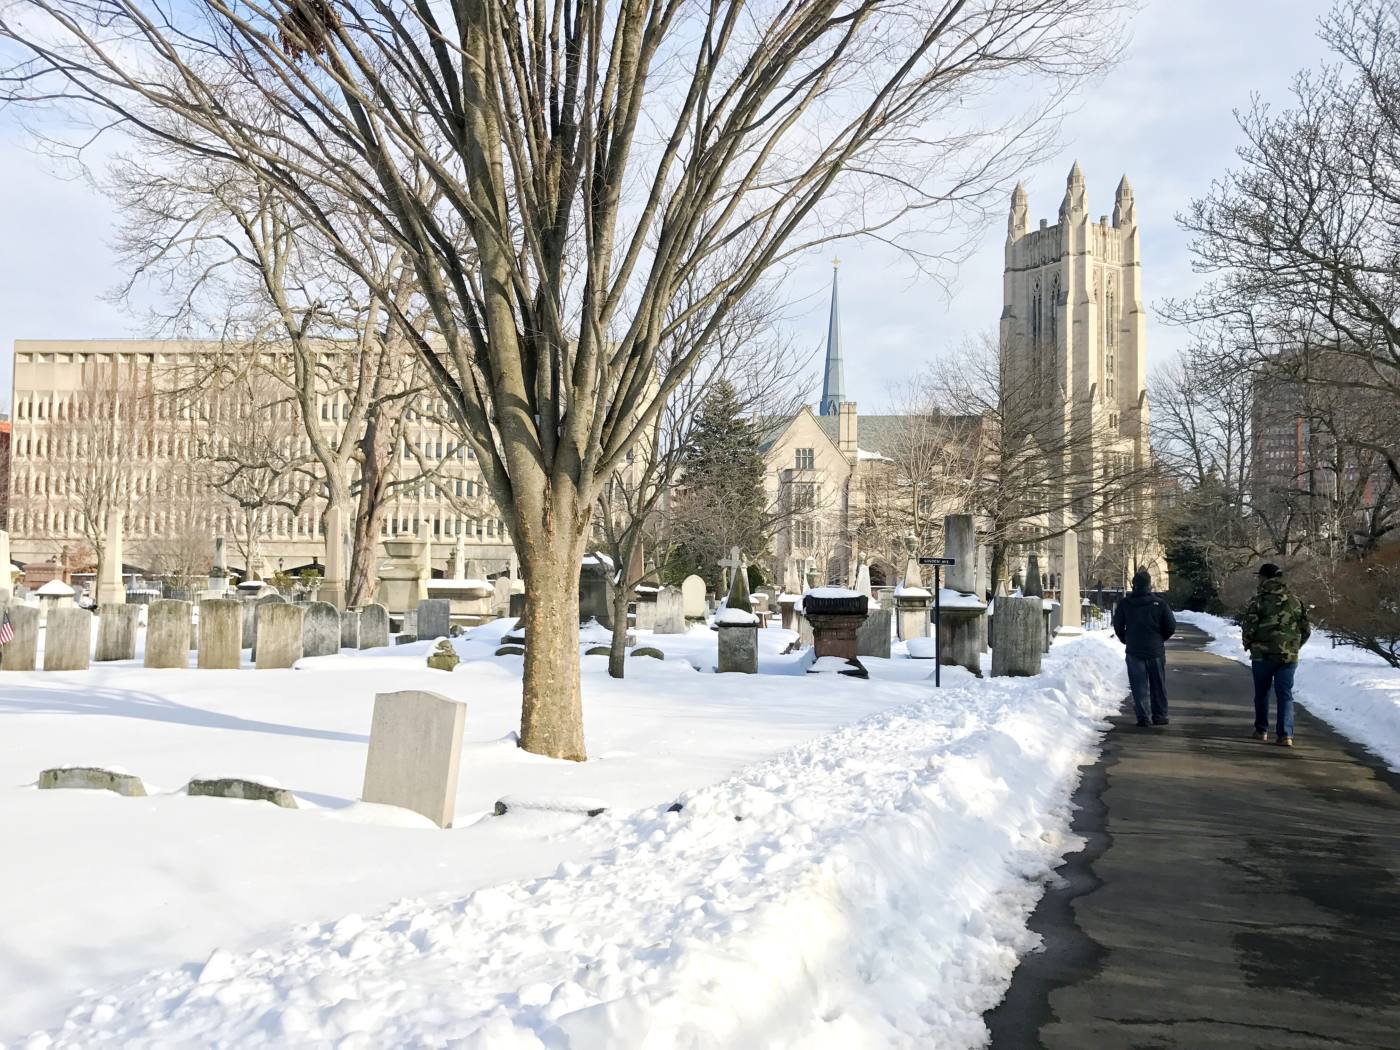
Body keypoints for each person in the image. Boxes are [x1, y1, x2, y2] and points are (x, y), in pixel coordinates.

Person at [1240, 563, 1311, 747]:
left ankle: (1261, 730)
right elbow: (1306, 629)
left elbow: (1249, 626)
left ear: (1263, 578)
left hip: (1262, 655)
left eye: (1259, 576)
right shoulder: (1295, 601)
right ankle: (1285, 735)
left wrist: (1249, 644)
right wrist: (1294, 646)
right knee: (1285, 694)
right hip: (1288, 656)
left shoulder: (1258, 601)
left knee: (1262, 693)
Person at [1112, 568, 1177, 727]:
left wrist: (1126, 639)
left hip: (1134, 650)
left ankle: (1143, 717)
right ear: (1149, 585)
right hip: (1155, 650)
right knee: (1158, 685)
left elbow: (1118, 626)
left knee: (1138, 685)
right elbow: (1171, 626)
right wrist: (1160, 639)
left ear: (1134, 585)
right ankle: (1160, 715)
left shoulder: (1125, 604)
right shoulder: (1160, 604)